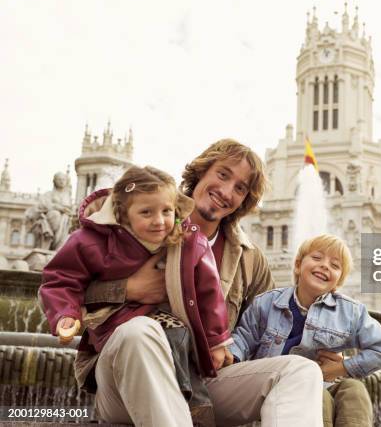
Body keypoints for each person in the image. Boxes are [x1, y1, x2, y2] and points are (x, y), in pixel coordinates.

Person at [83, 139, 324, 427]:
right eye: (222, 174)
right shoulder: (142, 219)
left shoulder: (250, 260)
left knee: (301, 371)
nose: (226, 191)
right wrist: (130, 288)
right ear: (201, 171)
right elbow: (67, 292)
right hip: (125, 382)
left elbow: (271, 328)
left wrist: (322, 345)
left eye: (240, 188)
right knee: (139, 332)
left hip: (204, 387)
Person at [39, 166, 230, 426]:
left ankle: (195, 402)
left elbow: (210, 292)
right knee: (150, 333)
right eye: (146, 213)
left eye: (166, 211)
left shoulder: (188, 241)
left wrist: (216, 340)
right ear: (123, 215)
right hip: (117, 336)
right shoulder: (91, 241)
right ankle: (194, 402)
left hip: (168, 327)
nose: (159, 221)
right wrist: (65, 314)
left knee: (177, 333)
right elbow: (61, 279)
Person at [230, 234, 381, 427]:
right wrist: (231, 356)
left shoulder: (350, 312)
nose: (325, 265)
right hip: (274, 384)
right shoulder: (266, 303)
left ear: (338, 282)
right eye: (317, 258)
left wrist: (342, 367)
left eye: (335, 266)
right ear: (298, 266)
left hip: (325, 383)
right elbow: (243, 338)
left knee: (354, 390)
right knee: (319, 397)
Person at [25, 171, 73, 250]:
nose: (61, 181)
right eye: (59, 179)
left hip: (65, 220)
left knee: (65, 218)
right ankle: (51, 241)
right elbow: (42, 206)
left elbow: (70, 210)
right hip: (51, 217)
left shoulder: (68, 197)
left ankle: (58, 245)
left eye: (63, 179)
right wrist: (58, 207)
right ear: (54, 181)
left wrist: (67, 211)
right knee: (55, 214)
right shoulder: (48, 194)